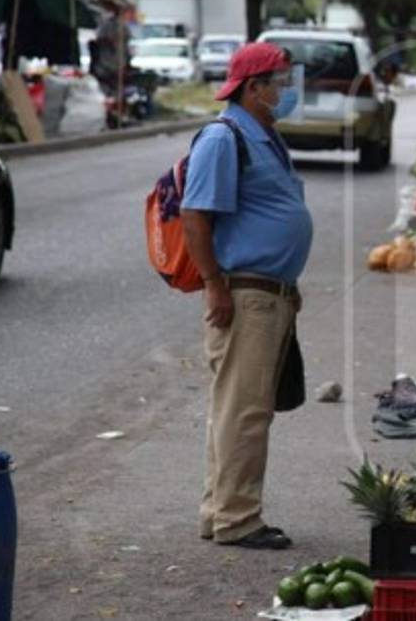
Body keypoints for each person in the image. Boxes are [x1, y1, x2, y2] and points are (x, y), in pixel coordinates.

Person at [181, 43, 313, 550]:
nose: (288, 90)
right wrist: (214, 283)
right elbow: (195, 215)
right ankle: (238, 518)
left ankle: (219, 511)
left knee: (236, 408)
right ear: (254, 88)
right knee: (245, 412)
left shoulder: (263, 135)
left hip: (269, 293)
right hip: (245, 295)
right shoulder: (224, 137)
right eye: (281, 82)